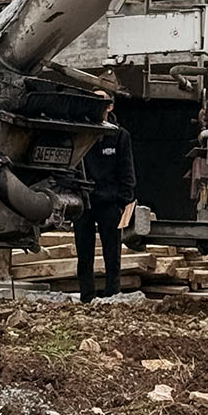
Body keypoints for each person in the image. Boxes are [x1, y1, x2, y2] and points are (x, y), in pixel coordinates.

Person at [74, 93, 137, 302]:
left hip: (109, 202)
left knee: (112, 251)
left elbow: (126, 171)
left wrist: (122, 200)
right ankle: (87, 295)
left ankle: (112, 293)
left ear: (110, 107)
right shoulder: (81, 133)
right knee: (84, 252)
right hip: (84, 202)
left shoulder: (120, 136)